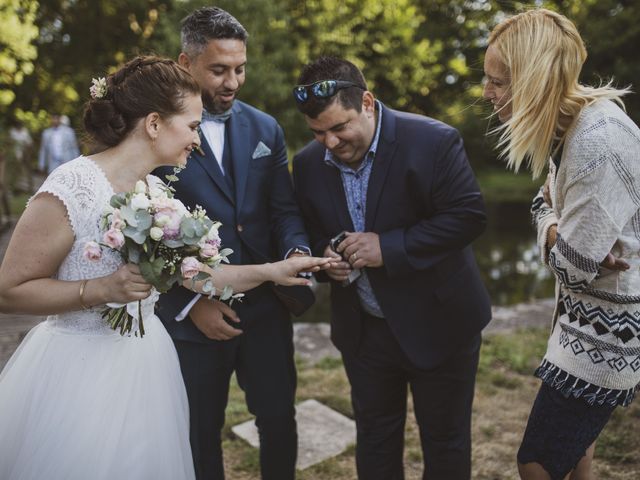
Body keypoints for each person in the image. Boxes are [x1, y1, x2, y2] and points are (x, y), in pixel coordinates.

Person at [0, 55, 330, 480]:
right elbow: (9, 289)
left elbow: (198, 275)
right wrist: (99, 290)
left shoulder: (156, 191)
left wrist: (271, 271)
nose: (197, 140)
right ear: (154, 124)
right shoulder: (72, 186)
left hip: (147, 364)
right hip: (79, 373)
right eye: (192, 127)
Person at [292, 56, 492, 479]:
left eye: (339, 127)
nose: (328, 142)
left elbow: (468, 215)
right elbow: (307, 232)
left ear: (366, 102)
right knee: (376, 440)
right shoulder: (308, 164)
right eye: (317, 132)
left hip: (440, 324)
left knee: (445, 442)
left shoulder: (434, 141)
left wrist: (390, 247)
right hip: (365, 332)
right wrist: (327, 260)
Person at [153, 7, 314, 480]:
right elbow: (144, 235)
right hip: (193, 316)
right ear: (186, 64)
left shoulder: (265, 128)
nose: (233, 82)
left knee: (279, 419)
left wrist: (296, 253)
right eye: (219, 70)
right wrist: (190, 302)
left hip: (267, 306)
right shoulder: (154, 132)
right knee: (200, 429)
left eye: (240, 68)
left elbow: (283, 212)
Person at [482, 8, 640, 480]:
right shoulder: (569, 127)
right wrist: (553, 224)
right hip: (581, 327)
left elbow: (571, 265)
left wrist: (551, 227)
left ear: (534, 77)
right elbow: (545, 211)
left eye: (499, 81)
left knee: (537, 460)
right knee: (577, 449)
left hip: (606, 337)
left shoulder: (598, 141)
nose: (487, 93)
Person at [8, 119, 34, 192]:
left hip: (24, 153)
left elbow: (30, 143)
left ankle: (30, 187)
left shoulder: (24, 131)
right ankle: (14, 187)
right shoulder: (12, 131)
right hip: (15, 153)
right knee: (15, 171)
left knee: (28, 170)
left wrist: (28, 153)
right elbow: (10, 142)